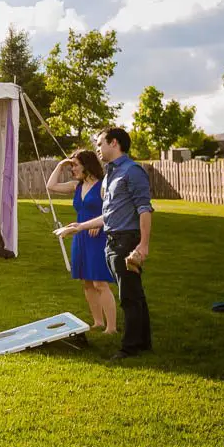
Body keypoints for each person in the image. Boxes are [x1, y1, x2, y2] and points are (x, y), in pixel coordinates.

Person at [56, 127, 153, 359]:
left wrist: (143, 245)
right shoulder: (110, 174)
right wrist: (79, 227)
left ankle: (129, 347)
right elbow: (108, 215)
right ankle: (143, 343)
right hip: (111, 241)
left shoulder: (132, 171)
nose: (97, 148)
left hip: (126, 241)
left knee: (129, 296)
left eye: (100, 143)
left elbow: (144, 209)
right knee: (134, 294)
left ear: (114, 143)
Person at [47, 150, 117, 333]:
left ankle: (111, 327)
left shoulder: (103, 186)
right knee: (87, 282)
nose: (72, 169)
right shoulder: (76, 186)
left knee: (100, 282)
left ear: (87, 165)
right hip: (80, 236)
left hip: (98, 236)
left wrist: (99, 225)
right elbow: (51, 186)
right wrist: (60, 165)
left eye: (75, 165)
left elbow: (112, 211)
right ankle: (98, 322)